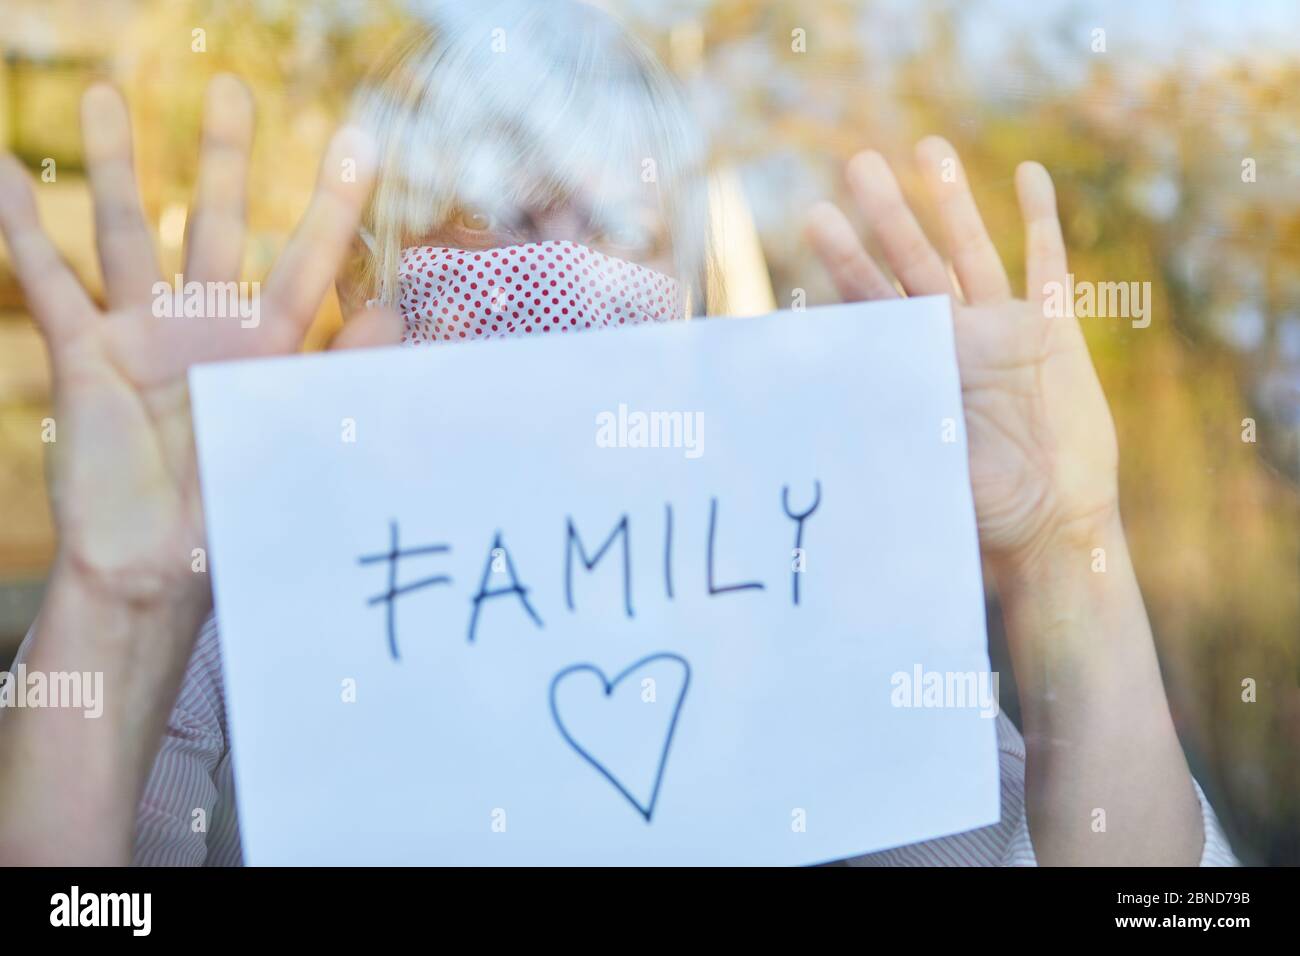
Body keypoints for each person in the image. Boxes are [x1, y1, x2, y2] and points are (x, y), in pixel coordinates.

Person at [0, 0, 1236, 866]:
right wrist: (124, 612)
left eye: (606, 220)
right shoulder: (259, 602)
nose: (551, 260)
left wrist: (1067, 551)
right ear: (364, 284)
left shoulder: (794, 578)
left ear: (685, 294)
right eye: (486, 210)